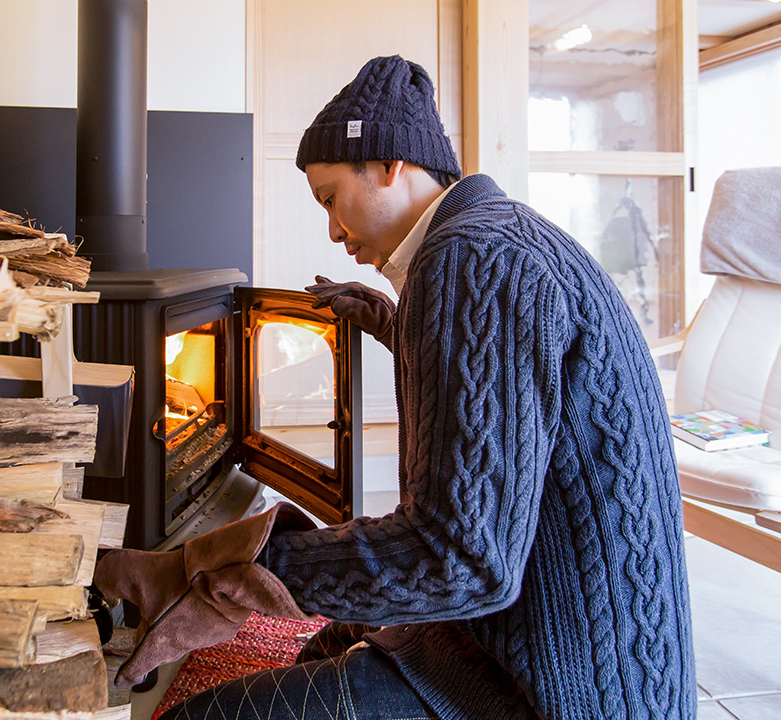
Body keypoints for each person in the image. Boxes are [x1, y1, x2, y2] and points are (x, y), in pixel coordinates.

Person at [95, 55, 696, 720]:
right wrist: (390, 320)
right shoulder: (500, 236)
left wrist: (227, 576)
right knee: (319, 648)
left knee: (196, 718)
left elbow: (459, 559)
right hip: (575, 659)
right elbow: (500, 393)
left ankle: (177, 581)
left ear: (388, 165)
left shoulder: (469, 259)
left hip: (543, 688)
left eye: (330, 198)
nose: (330, 227)